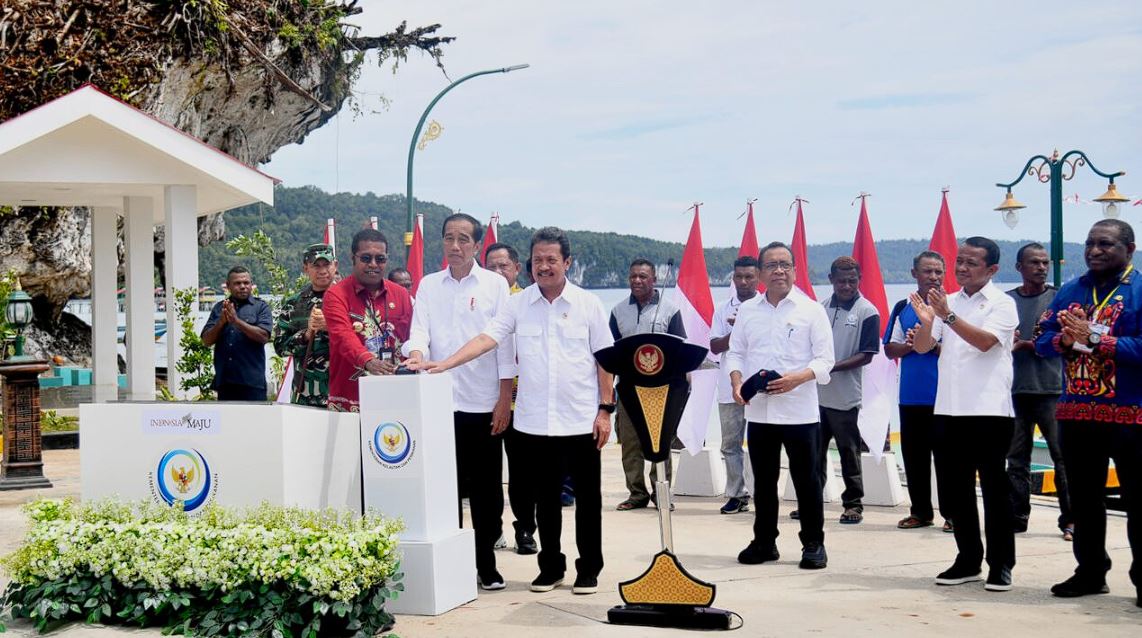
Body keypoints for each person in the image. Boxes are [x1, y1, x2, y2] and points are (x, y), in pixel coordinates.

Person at [410, 227, 615, 596]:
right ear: (530, 264)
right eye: (538, 260)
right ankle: (551, 567)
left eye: (552, 260)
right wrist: (447, 363)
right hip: (535, 421)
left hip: (581, 419)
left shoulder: (588, 305)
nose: (545, 267)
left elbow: (605, 359)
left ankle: (589, 569)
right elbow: (488, 338)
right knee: (545, 502)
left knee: (588, 501)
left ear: (567, 262)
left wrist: (605, 410)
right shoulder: (518, 305)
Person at [404, 214, 516, 591]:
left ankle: (486, 562)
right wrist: (417, 354)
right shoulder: (429, 285)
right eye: (449, 238)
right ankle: (452, 563)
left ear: (476, 244)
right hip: (436, 401)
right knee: (443, 486)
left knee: (485, 489)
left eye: (464, 239)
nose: (455, 246)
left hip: (481, 401)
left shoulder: (495, 284)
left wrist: (504, 399)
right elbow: (418, 331)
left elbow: (503, 345)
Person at [1037, 219, 1141, 607]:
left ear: (1129, 250)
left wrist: (1096, 338)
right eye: (1090, 244)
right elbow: (1043, 340)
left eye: (1106, 244)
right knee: (1084, 500)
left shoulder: (1139, 291)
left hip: (1132, 415)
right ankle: (1090, 572)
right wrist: (1065, 339)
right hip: (1077, 413)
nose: (1095, 251)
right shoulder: (1071, 291)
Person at [911, 236, 1018, 592]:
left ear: (991, 269)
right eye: (960, 261)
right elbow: (924, 347)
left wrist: (946, 315)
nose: (961, 268)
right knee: (956, 492)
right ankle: (967, 558)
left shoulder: (1003, 303)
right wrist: (928, 320)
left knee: (993, 490)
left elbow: (986, 342)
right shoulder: (946, 302)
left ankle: (1001, 564)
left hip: (989, 410)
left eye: (971, 263)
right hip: (948, 409)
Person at [727, 241, 834, 570]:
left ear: (795, 270)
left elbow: (826, 360)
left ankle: (813, 543)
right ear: (759, 273)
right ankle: (764, 541)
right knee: (763, 481)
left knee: (807, 481)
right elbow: (736, 352)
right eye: (771, 265)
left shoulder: (810, 309)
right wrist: (735, 381)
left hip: (800, 412)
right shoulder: (748, 311)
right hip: (759, 412)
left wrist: (797, 378)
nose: (779, 271)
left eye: (785, 264)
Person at [1006, 243, 1071, 539]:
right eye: (1034, 263)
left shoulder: (1059, 298)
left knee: (1063, 458)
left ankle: (1070, 519)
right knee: (1016, 459)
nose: (1041, 267)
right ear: (1019, 267)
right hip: (1014, 391)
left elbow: (1068, 340)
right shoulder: (1006, 302)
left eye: (1045, 262)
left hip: (1052, 390)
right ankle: (1017, 517)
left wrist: (1033, 345)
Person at [610, 258, 686, 512]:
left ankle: (661, 492)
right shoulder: (618, 311)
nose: (637, 281)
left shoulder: (670, 309)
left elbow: (679, 349)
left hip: (661, 391)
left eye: (643, 276)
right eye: (633, 276)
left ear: (653, 278)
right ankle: (636, 493)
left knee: (660, 443)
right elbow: (611, 352)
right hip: (630, 388)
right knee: (630, 443)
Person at [885, 251, 952, 532]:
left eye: (938, 271)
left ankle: (953, 514)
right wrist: (913, 344)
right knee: (914, 457)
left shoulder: (952, 307)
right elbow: (890, 348)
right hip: (912, 395)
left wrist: (929, 342)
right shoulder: (903, 306)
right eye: (927, 271)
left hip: (947, 396)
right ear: (914, 274)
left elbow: (961, 349)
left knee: (949, 459)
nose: (933, 277)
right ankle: (921, 512)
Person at [814, 256, 880, 525]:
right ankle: (812, 503)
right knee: (813, 454)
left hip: (845, 397)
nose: (846, 285)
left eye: (852, 280)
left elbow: (867, 355)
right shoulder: (820, 308)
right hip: (816, 396)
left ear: (859, 279)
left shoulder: (868, 311)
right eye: (841, 280)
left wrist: (831, 367)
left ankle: (853, 504)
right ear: (831, 280)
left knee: (848, 452)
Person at [484, 241, 540, 552]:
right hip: (484, 400)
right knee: (488, 473)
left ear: (517, 269)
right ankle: (493, 530)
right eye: (491, 266)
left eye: (503, 266)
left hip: (523, 404)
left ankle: (525, 530)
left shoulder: (527, 302)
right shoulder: (479, 302)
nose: (497, 272)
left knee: (523, 474)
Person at [323, 228, 413, 412]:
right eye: (365, 258)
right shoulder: (336, 294)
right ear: (353, 258)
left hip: (396, 395)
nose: (373, 264)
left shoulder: (401, 295)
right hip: (350, 399)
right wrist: (367, 360)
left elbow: (412, 338)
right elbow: (342, 336)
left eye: (380, 259)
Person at [709, 255, 761, 515]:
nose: (744, 282)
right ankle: (736, 494)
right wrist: (736, 332)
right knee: (730, 444)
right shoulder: (722, 308)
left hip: (759, 388)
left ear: (758, 278)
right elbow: (715, 346)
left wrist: (744, 328)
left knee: (761, 444)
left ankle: (759, 492)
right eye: (739, 276)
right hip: (729, 386)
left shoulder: (767, 307)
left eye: (749, 276)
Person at [273, 244, 337, 408]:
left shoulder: (349, 299)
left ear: (335, 265)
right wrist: (306, 335)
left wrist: (330, 327)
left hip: (341, 394)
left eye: (327, 265)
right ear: (306, 268)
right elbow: (280, 347)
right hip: (305, 396)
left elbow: (363, 339)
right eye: (316, 265)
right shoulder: (294, 304)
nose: (322, 271)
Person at [201, 266, 273, 401]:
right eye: (237, 283)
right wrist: (221, 323)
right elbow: (206, 340)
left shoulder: (261, 307)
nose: (243, 286)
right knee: (227, 422)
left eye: (246, 283)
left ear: (251, 284)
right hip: (225, 383)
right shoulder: (219, 308)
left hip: (252, 383)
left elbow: (263, 336)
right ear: (228, 286)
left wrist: (236, 321)